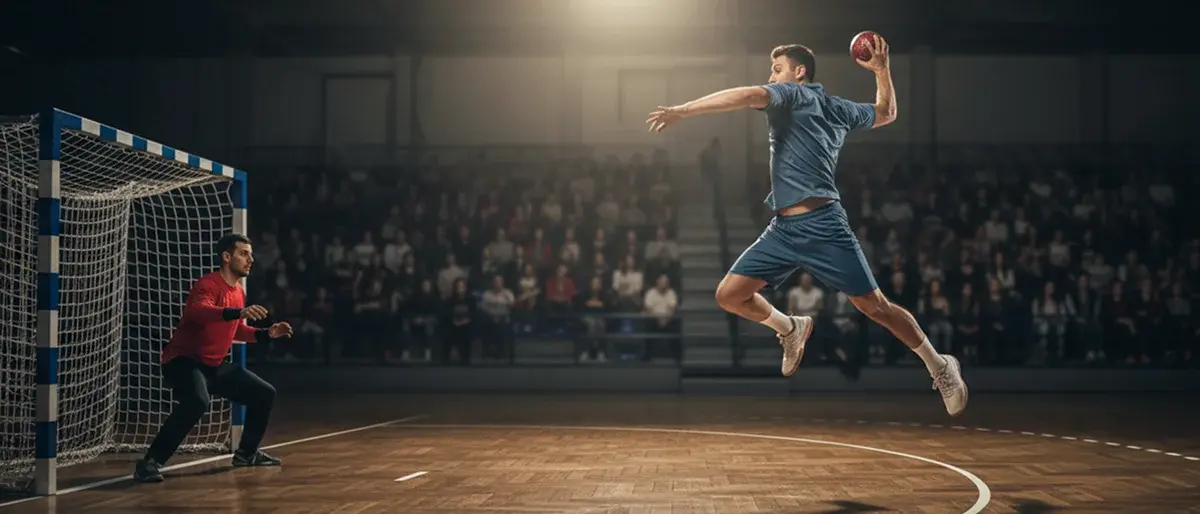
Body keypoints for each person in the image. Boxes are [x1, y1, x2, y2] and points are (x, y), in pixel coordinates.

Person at [645, 35, 967, 416]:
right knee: (729, 295)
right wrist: (882, 72)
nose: (771, 76)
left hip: (825, 226)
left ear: (799, 73)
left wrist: (684, 110)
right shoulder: (834, 107)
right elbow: (887, 111)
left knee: (875, 307)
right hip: (783, 229)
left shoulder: (798, 96)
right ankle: (790, 328)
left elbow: (747, 95)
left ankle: (940, 366)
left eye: (776, 69)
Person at [134, 234, 294, 482]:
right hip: (182, 361)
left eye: (250, 254)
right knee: (198, 401)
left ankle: (246, 454)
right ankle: (149, 462)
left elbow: (235, 329)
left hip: (212, 366)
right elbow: (200, 312)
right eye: (244, 253)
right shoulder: (207, 284)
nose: (250, 259)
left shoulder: (238, 292)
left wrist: (266, 334)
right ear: (227, 257)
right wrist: (238, 312)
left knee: (264, 393)